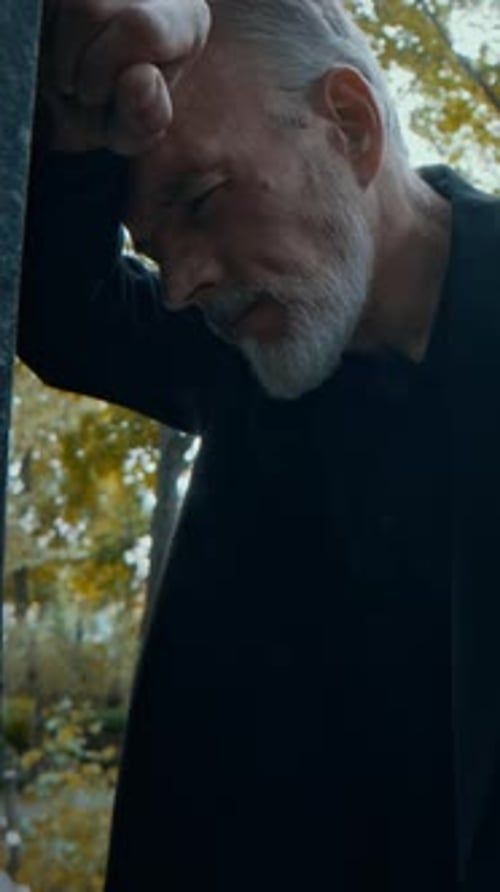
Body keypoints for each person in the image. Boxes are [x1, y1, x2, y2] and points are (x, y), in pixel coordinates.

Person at [19, 0, 500, 889]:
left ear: (348, 125)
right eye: (155, 248)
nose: (181, 283)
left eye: (200, 200)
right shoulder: (248, 342)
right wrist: (79, 115)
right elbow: (59, 312)